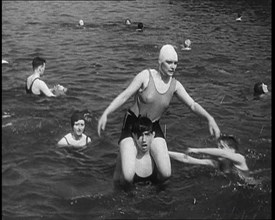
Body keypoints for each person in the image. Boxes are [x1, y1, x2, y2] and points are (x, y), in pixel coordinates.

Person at [97, 44, 220, 185]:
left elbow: (192, 105)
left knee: (166, 173)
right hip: (133, 124)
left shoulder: (175, 85)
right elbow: (124, 96)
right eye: (169, 62)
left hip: (152, 125)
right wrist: (106, 113)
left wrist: (210, 118)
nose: (173, 66)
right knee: (127, 177)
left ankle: (154, 191)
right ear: (160, 62)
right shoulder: (145, 76)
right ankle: (122, 157)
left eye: (175, 63)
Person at [169, 135, 257, 185]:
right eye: (218, 147)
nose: (218, 149)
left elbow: (223, 153)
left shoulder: (240, 159)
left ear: (232, 150)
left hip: (251, 187)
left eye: (222, 147)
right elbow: (187, 159)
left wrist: (197, 150)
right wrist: (165, 153)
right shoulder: (217, 164)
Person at [113, 116, 158, 187]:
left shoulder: (157, 158)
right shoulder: (126, 158)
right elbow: (116, 182)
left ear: (153, 135)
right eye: (140, 135)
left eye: (147, 135)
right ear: (134, 136)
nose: (144, 140)